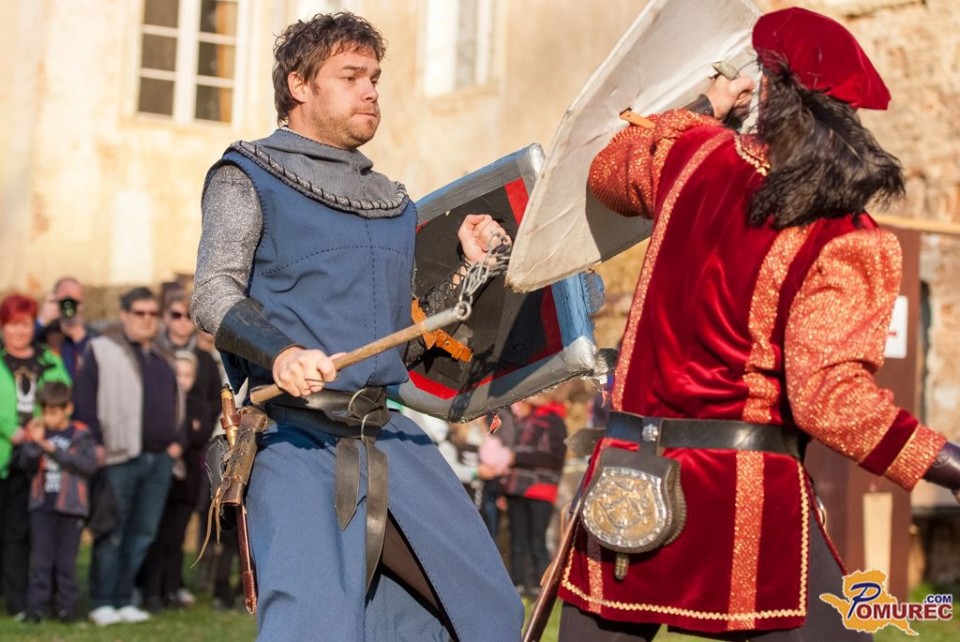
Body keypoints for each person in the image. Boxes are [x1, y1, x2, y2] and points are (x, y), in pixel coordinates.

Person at [555, 7, 960, 642]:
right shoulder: (847, 233)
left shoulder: (688, 154)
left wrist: (707, 104)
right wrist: (949, 464)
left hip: (627, 477)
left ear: (766, 87)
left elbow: (609, 168)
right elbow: (830, 401)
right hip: (738, 496)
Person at [191, 11, 523, 641]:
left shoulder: (392, 203)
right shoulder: (246, 176)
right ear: (299, 84)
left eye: (374, 77)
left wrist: (468, 272)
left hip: (389, 435)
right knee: (313, 628)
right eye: (350, 77)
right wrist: (281, 353)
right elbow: (212, 293)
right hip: (293, 439)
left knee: (486, 614)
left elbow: (406, 337)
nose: (370, 91)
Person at [73, 287, 184, 626]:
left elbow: (177, 402)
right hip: (118, 456)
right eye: (139, 313)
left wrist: (177, 441)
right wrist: (96, 443)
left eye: (152, 313)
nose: (147, 319)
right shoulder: (102, 350)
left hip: (159, 459)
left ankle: (124, 598)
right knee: (112, 531)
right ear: (124, 315)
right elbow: (84, 400)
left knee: (143, 533)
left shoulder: (164, 356)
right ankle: (102, 600)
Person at [0, 294, 71, 619]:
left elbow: (63, 395)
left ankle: (36, 598)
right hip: (6, 456)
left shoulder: (49, 360)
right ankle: (14, 598)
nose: (19, 331)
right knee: (10, 531)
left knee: (34, 532)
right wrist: (10, 428)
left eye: (25, 324)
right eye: (13, 324)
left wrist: (40, 425)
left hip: (43, 458)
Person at [140, 350, 213, 611]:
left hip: (187, 483)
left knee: (176, 539)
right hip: (161, 480)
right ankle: (151, 591)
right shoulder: (161, 403)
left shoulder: (200, 406)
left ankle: (171, 589)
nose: (182, 380)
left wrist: (184, 435)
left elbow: (200, 434)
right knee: (156, 537)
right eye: (178, 374)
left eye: (187, 375)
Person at [18, 382, 97, 623]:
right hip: (42, 506)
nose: (49, 418)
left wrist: (55, 451)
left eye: (54, 412)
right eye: (45, 412)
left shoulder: (80, 434)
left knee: (66, 562)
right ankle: (37, 608)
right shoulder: (38, 432)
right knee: (41, 561)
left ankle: (66, 608)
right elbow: (26, 464)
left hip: (71, 507)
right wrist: (35, 443)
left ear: (68, 409)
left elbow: (88, 466)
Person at [503, 393, 567, 599]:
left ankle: (542, 586)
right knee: (517, 541)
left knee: (537, 541)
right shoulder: (523, 419)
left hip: (541, 489)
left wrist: (518, 457)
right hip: (515, 488)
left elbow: (555, 457)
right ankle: (518, 585)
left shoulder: (555, 421)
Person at [36, 277, 97, 381]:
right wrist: (42, 320)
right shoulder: (42, 332)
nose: (68, 306)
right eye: (64, 300)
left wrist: (79, 337)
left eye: (74, 302)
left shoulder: (92, 336)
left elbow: (99, 366)